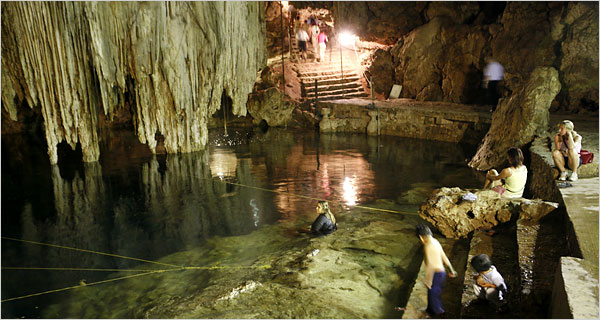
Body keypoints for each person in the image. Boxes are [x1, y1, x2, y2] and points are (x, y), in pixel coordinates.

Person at [416, 223, 457, 317]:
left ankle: (440, 314)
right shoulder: (435, 241)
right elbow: (444, 256)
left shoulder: (427, 246)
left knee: (433, 296)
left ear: (421, 237)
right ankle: (429, 311)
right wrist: (451, 269)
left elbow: (430, 265)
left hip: (436, 274)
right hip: (442, 273)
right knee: (433, 294)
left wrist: (428, 279)